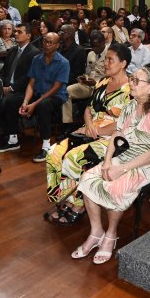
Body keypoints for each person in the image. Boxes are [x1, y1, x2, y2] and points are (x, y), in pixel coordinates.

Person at [73, 66, 150, 263]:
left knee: (115, 186)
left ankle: (111, 234)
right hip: (127, 156)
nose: (131, 84)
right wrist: (108, 161)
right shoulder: (130, 106)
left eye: (137, 81)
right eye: (132, 79)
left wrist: (121, 169)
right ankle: (96, 232)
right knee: (88, 178)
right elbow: (117, 135)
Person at [46, 43, 131, 224]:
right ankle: (63, 198)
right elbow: (88, 109)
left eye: (110, 60)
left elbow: (124, 123)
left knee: (73, 158)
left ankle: (78, 204)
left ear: (123, 63)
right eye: (106, 59)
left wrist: (97, 130)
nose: (106, 63)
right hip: (90, 130)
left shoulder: (131, 89)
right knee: (53, 152)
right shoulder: (102, 82)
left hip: (113, 137)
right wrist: (89, 124)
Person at [0, 32, 70, 162]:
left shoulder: (63, 62)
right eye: (45, 41)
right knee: (12, 100)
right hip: (36, 93)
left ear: (57, 45)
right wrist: (25, 102)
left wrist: (34, 104)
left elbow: (56, 87)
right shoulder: (37, 59)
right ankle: (13, 140)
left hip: (55, 95)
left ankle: (46, 146)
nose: (47, 45)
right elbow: (31, 83)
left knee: (43, 105)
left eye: (51, 42)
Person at [61, 31, 108, 130]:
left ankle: (96, 125)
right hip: (89, 84)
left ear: (103, 43)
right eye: (92, 46)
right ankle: (68, 124)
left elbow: (111, 76)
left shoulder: (110, 54)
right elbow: (88, 72)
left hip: (104, 86)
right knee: (67, 91)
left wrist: (96, 83)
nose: (94, 48)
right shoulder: (90, 54)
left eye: (96, 46)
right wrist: (84, 78)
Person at [0, 24, 40, 122]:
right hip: (6, 87)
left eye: (19, 32)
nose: (15, 34)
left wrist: (11, 88)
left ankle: (9, 132)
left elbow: (28, 77)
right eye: (15, 31)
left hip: (22, 90)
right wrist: (0, 84)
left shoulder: (34, 53)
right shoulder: (12, 50)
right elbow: (4, 71)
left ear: (28, 35)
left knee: (6, 101)